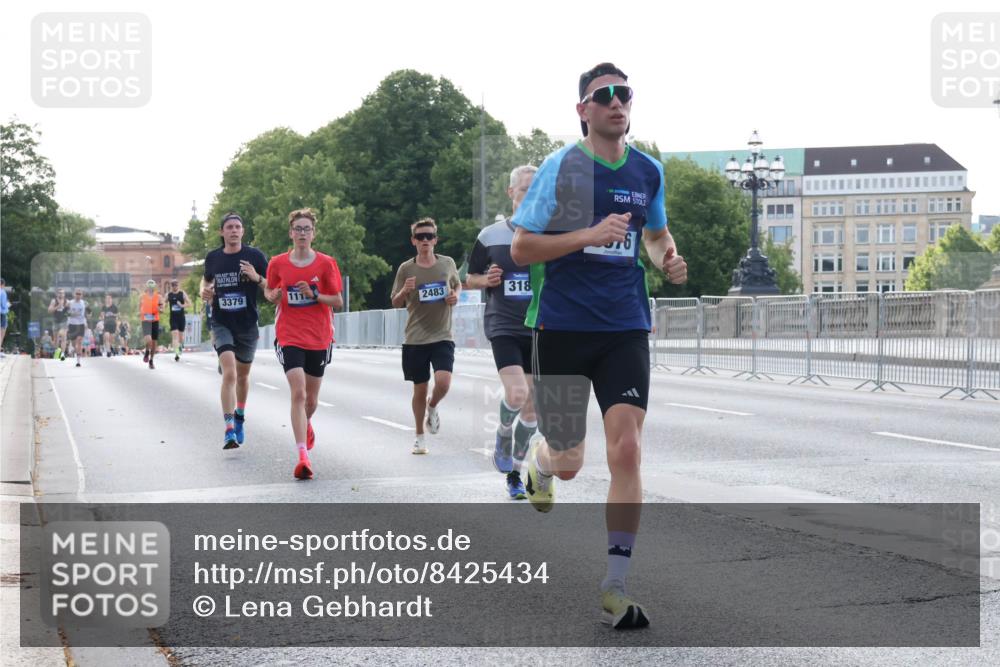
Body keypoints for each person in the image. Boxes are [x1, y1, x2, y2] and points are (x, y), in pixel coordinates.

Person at [510, 63, 688, 630]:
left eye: (623, 94)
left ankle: (615, 586)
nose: (616, 102)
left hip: (624, 327)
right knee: (568, 464)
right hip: (561, 327)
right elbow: (520, 249)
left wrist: (667, 258)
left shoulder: (647, 170)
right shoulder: (563, 167)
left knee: (628, 450)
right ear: (583, 110)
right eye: (602, 95)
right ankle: (539, 460)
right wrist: (587, 234)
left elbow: (654, 235)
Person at [466, 165, 539, 499]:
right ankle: (503, 430)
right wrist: (487, 280)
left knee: (533, 411)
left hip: (540, 327)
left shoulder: (551, 234)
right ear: (511, 193)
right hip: (504, 325)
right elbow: (469, 278)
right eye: (525, 189)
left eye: (537, 189)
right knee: (517, 394)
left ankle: (514, 474)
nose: (531, 194)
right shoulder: (490, 235)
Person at [264, 208, 343, 480]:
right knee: (297, 394)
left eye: (306, 229)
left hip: (319, 336)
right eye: (297, 228)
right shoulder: (277, 263)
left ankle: (306, 422)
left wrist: (315, 293)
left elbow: (338, 301)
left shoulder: (325, 264)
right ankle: (302, 457)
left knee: (310, 399)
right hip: (289, 335)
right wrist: (272, 294)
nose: (301, 233)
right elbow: (270, 290)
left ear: (313, 233)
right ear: (290, 233)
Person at [390, 218, 461, 455]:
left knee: (443, 382)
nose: (425, 241)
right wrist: (404, 290)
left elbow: (457, 285)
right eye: (420, 237)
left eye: (429, 236)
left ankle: (433, 406)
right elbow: (395, 302)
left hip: (442, 335)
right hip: (415, 338)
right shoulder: (406, 269)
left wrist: (455, 296)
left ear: (435, 239)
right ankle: (419, 436)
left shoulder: (447, 263)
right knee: (419, 390)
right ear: (413, 241)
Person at [201, 212, 269, 450]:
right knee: (229, 374)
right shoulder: (214, 258)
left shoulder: (255, 256)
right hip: (221, 322)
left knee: (242, 376)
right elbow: (206, 280)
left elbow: (272, 288)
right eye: (229, 227)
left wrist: (256, 277)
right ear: (222, 232)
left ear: (243, 231)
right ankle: (229, 429)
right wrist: (205, 290)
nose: (233, 230)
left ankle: (240, 414)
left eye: (237, 227)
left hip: (248, 324)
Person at [139, 280, 163, 369]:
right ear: (147, 288)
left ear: (154, 288)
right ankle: (147, 352)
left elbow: (162, 309)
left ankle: (151, 360)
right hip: (145, 321)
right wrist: (140, 312)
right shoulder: (142, 297)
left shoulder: (159, 297)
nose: (150, 289)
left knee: (154, 343)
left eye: (152, 288)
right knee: (148, 340)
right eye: (149, 288)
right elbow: (140, 308)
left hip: (155, 321)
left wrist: (159, 309)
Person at [166, 279, 191, 361]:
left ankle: (180, 347)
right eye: (173, 285)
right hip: (173, 318)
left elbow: (189, 304)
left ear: (178, 285)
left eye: (176, 285)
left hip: (181, 318)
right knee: (175, 335)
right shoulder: (168, 295)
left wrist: (182, 305)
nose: (174, 287)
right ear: (171, 286)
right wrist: (161, 306)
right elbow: (162, 302)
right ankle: (176, 354)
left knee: (181, 338)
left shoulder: (182, 293)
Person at [66, 289, 89, 367]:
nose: (78, 295)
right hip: (72, 324)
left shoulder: (84, 303)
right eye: (77, 294)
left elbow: (88, 313)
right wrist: (72, 314)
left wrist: (86, 322)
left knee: (79, 342)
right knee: (73, 343)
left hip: (81, 324)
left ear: (82, 295)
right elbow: (66, 314)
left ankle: (78, 361)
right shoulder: (70, 303)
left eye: (80, 294)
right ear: (74, 294)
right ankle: (73, 348)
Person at [48, 288, 69, 360]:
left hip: (64, 321)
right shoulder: (54, 301)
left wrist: (67, 308)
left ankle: (62, 354)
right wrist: (57, 307)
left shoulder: (67, 301)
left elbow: (70, 312)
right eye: (59, 293)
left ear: (64, 294)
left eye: (62, 293)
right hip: (55, 321)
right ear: (57, 294)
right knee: (56, 339)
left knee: (63, 336)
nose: (61, 294)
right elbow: (49, 311)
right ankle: (57, 353)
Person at [0, 278, 9, 356]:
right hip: (2, 314)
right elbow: (3, 305)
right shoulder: (2, 292)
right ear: (3, 285)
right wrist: (8, 305)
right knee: (1, 333)